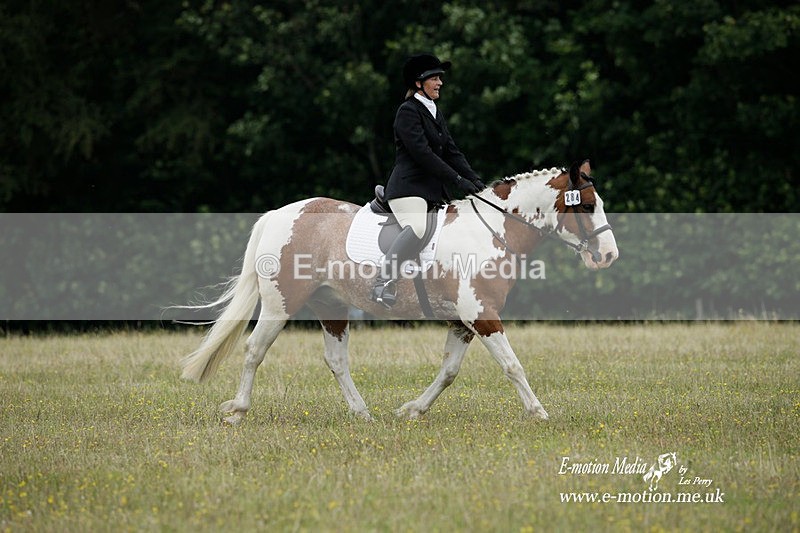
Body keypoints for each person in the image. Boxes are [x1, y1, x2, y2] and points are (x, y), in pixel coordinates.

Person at [371, 53, 485, 307]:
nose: (440, 83)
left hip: (430, 190)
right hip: (407, 189)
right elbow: (423, 155)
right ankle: (383, 281)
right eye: (434, 78)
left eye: (440, 78)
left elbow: (451, 150)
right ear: (419, 83)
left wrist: (474, 180)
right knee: (418, 228)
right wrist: (456, 179)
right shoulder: (407, 112)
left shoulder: (434, 111)